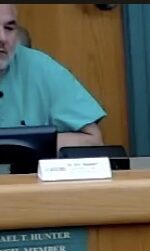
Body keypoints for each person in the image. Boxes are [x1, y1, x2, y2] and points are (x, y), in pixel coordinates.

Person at [0, 3, 106, 147]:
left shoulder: (38, 66)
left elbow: (92, 139)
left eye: (9, 28)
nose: (3, 38)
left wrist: (24, 146)